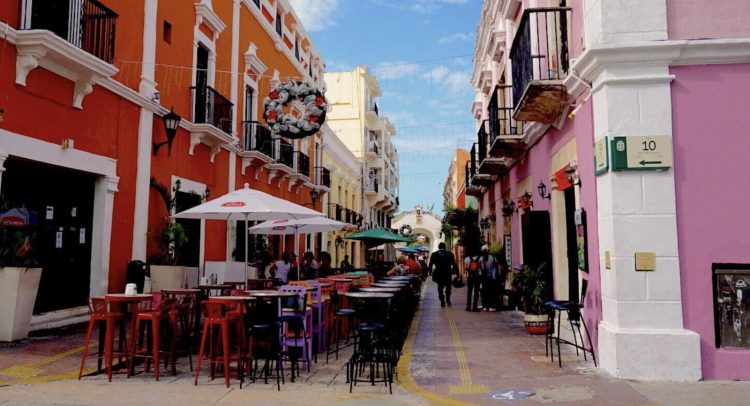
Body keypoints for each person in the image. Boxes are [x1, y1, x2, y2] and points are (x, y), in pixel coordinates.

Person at [428, 242, 458, 308]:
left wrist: (430, 272)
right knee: (448, 287)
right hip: (447, 273)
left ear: (438, 247)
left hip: (439, 273)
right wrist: (457, 272)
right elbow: (454, 264)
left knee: (440, 287)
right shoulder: (450, 254)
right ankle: (447, 299)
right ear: (445, 247)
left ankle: (442, 300)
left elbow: (430, 264)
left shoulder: (434, 254)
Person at [480, 244, 499, 311]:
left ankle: (485, 306)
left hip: (484, 277)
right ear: (488, 251)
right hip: (492, 277)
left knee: (484, 291)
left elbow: (481, 269)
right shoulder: (493, 257)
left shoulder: (481, 258)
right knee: (492, 291)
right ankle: (491, 306)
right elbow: (496, 267)